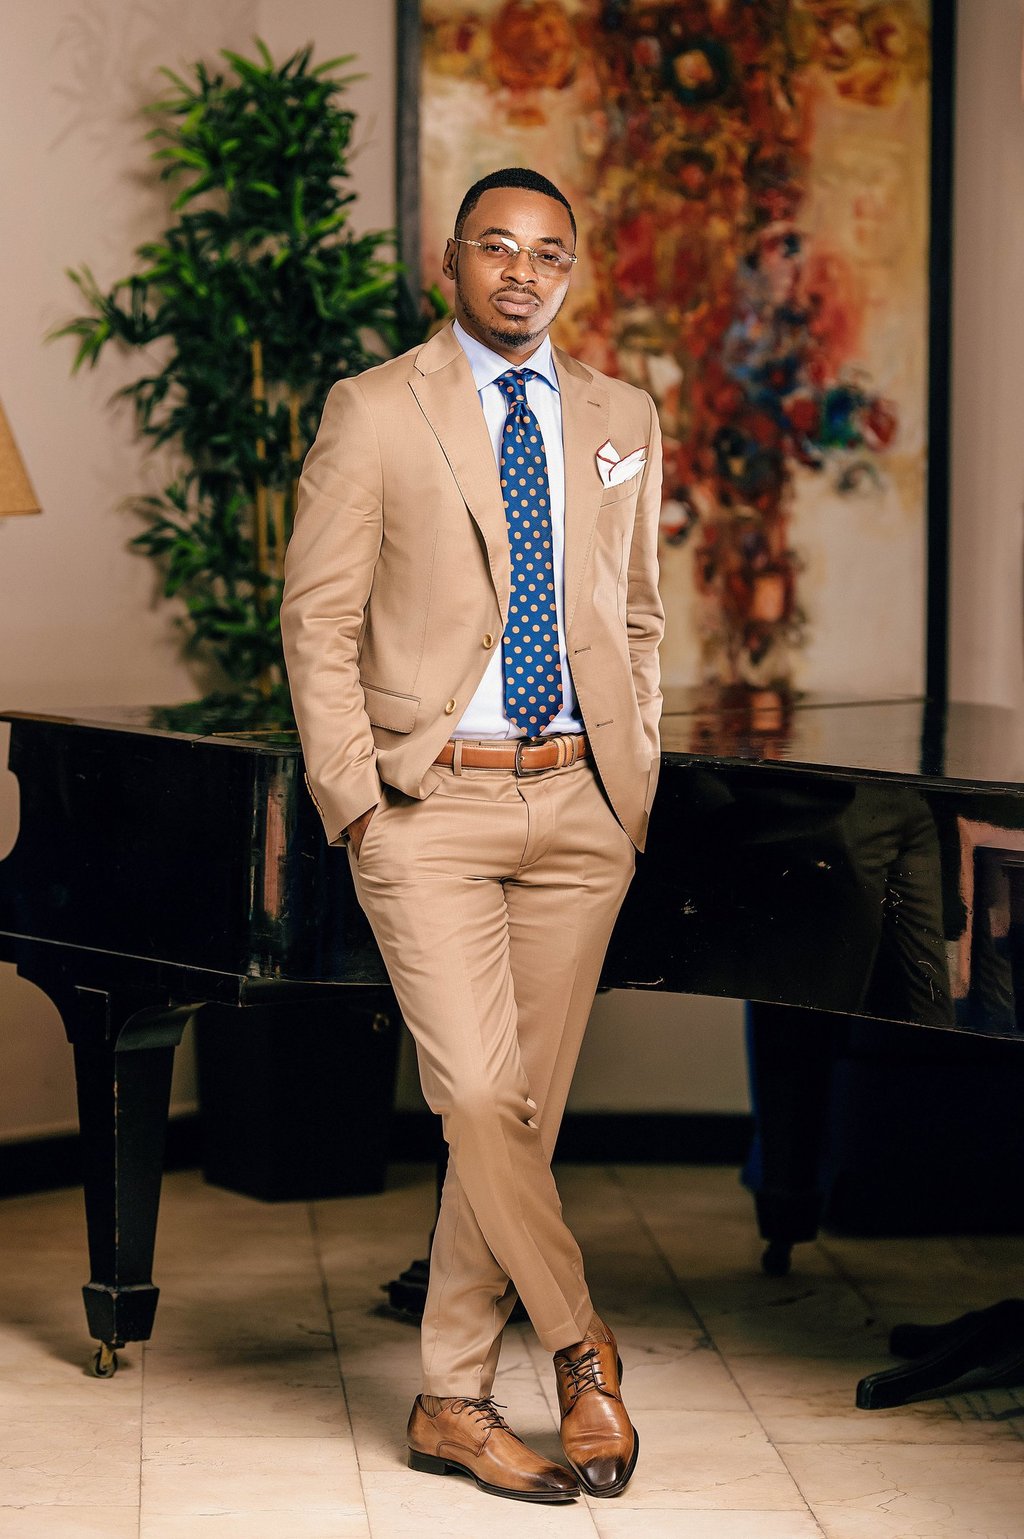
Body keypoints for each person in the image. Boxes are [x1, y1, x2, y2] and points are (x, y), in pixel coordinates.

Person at [281, 166, 664, 1505]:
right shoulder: (377, 409)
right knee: (480, 1100)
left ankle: (450, 1401)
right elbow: (317, 618)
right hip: (429, 807)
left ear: (572, 271)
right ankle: (581, 1349)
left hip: (582, 807)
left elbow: (636, 612)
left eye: (547, 252)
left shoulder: (622, 415)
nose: (521, 271)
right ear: (450, 261)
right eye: (495, 246)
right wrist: (356, 800)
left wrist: (631, 781)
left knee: (518, 1125)